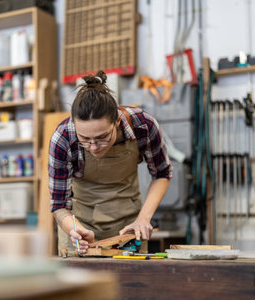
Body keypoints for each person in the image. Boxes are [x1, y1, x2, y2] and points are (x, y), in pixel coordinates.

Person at [49, 70, 172, 255]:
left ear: (117, 120)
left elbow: (162, 173)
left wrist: (143, 219)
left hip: (129, 227)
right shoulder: (63, 138)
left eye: (102, 137)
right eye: (85, 139)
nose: (93, 147)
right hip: (80, 226)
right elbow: (59, 205)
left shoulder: (142, 125)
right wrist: (74, 228)